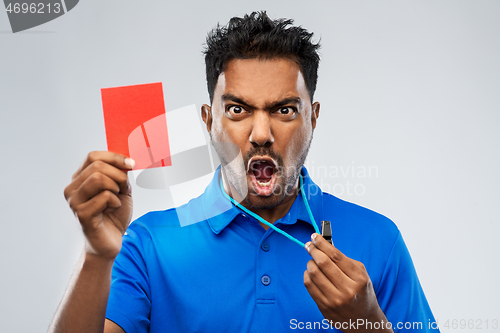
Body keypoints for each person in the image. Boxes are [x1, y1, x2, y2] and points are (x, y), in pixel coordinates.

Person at [49, 11, 439, 333]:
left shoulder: (378, 239)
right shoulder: (149, 244)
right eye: (237, 110)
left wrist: (368, 324)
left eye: (284, 110)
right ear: (209, 120)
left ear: (313, 119)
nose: (261, 134)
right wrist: (97, 255)